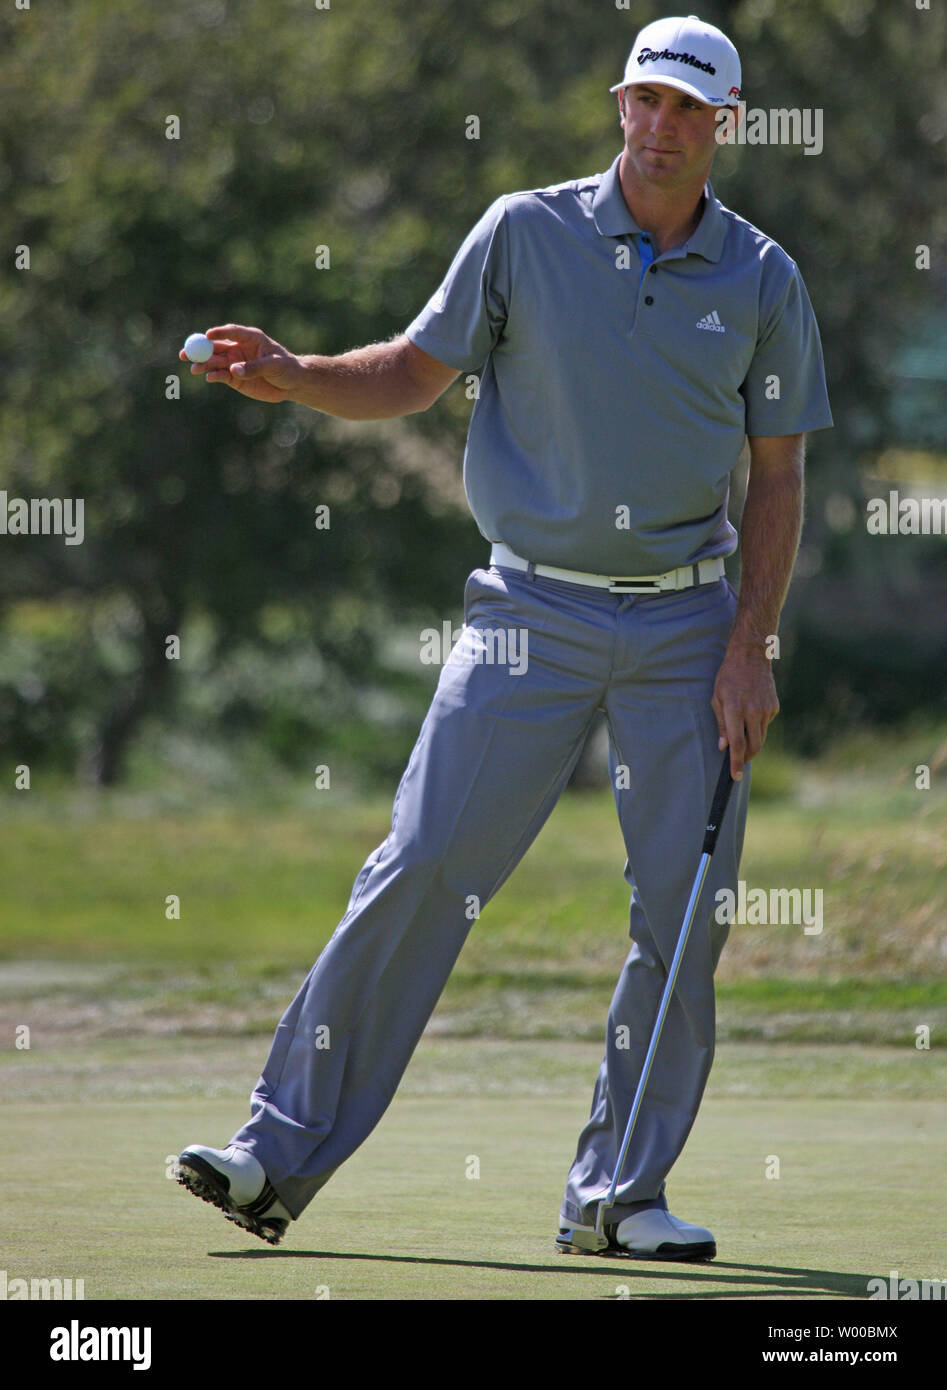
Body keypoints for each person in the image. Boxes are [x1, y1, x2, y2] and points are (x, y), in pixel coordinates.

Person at [174, 13, 832, 1259]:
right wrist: (298, 373)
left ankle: (615, 1197)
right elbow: (412, 373)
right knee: (422, 861)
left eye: (687, 109)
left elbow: (779, 474)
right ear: (616, 105)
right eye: (643, 100)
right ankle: (272, 1153)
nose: (658, 126)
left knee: (681, 911)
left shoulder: (762, 277)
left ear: (725, 126)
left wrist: (750, 644)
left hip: (688, 624)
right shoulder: (522, 230)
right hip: (526, 610)